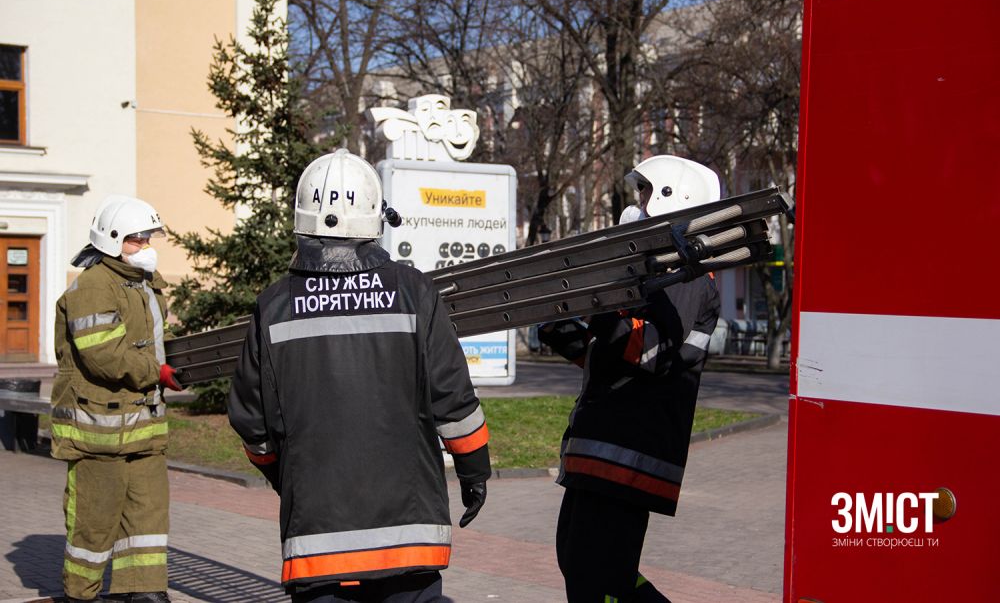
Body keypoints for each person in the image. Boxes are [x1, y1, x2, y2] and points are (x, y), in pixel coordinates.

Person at [228, 149, 491, 603]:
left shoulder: (274, 306)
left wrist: (285, 477)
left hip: (318, 542)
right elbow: (453, 401)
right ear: (375, 215)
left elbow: (253, 422)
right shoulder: (414, 292)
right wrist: (475, 471)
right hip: (408, 536)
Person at [539, 155, 723, 603]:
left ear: (673, 197)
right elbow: (611, 357)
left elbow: (654, 353)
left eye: (645, 192)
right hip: (602, 447)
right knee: (586, 565)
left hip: (628, 453)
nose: (637, 203)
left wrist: (600, 310)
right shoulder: (650, 274)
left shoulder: (686, 277)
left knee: (597, 577)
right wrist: (562, 330)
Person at [50, 195, 182, 603]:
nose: (146, 246)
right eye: (137, 239)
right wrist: (157, 371)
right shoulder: (93, 287)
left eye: (148, 238)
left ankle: (144, 590)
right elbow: (103, 354)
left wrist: (181, 360)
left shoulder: (145, 284)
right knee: (94, 520)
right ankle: (81, 593)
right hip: (97, 433)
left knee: (148, 515)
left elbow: (155, 341)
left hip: (144, 428)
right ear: (111, 239)